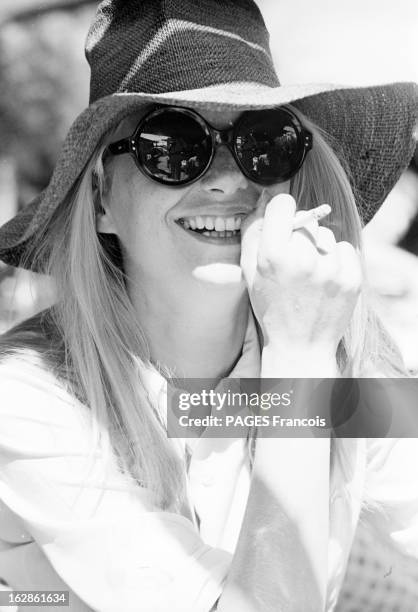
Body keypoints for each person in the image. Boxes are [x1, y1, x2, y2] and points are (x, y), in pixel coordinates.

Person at [0, 1, 417, 611]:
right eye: (173, 144)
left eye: (263, 143)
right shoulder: (27, 398)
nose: (227, 179)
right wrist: (298, 356)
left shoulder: (349, 363)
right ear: (100, 201)